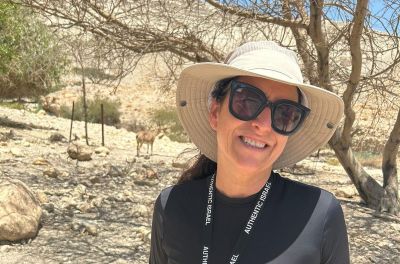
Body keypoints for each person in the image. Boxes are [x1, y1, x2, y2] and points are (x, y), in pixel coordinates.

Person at [149, 41, 350, 264]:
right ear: (215, 112)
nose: (263, 124)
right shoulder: (172, 205)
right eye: (247, 101)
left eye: (285, 113)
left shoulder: (319, 214)